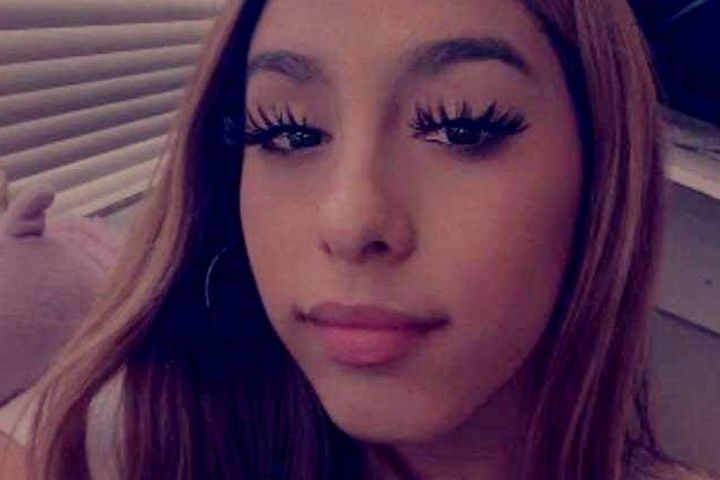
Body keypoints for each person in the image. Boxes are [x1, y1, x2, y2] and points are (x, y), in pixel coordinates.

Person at [0, 0, 716, 479]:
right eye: (287, 131)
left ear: (602, 173)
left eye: (462, 126)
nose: (349, 222)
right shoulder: (124, 438)